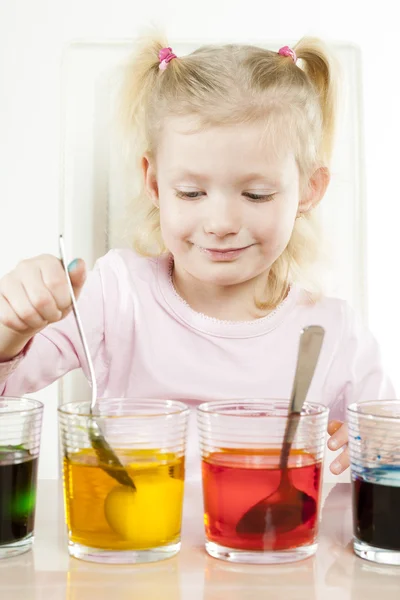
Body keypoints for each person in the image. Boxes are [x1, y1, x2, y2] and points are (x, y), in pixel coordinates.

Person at [0, 37, 394, 479]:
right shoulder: (117, 294)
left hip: (273, 546)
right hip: (132, 543)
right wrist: (11, 329)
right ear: (153, 183)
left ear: (309, 190)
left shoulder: (335, 334)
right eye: (191, 192)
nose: (221, 222)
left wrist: (385, 447)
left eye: (255, 194)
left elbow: (386, 453)